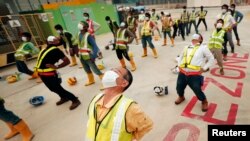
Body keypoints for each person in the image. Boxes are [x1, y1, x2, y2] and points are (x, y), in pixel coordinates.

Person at [85, 67, 153, 141]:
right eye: (111, 70)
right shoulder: (96, 98)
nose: (109, 72)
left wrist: (133, 139)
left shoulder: (130, 108)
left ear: (124, 83)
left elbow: (147, 126)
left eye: (116, 71)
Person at [35, 36, 81, 110]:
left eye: (58, 39)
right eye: (56, 40)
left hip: (50, 75)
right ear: (50, 41)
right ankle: (63, 97)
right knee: (52, 89)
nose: (58, 40)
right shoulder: (43, 49)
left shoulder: (56, 50)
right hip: (42, 74)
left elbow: (67, 61)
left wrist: (56, 66)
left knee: (59, 89)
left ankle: (75, 100)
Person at [175, 34, 214, 112]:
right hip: (182, 73)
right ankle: (181, 96)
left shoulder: (203, 48)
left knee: (197, 89)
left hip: (194, 75)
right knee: (179, 87)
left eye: (197, 38)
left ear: (200, 40)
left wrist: (204, 68)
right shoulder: (186, 47)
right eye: (193, 39)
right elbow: (181, 57)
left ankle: (204, 101)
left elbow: (211, 59)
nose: (194, 40)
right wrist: (179, 65)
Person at [75, 21, 104, 86]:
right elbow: (79, 44)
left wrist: (93, 56)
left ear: (85, 27)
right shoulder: (78, 33)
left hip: (89, 56)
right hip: (81, 56)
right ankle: (91, 80)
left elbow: (95, 46)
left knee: (95, 69)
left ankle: (104, 81)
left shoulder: (88, 35)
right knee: (86, 69)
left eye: (81, 24)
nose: (79, 25)